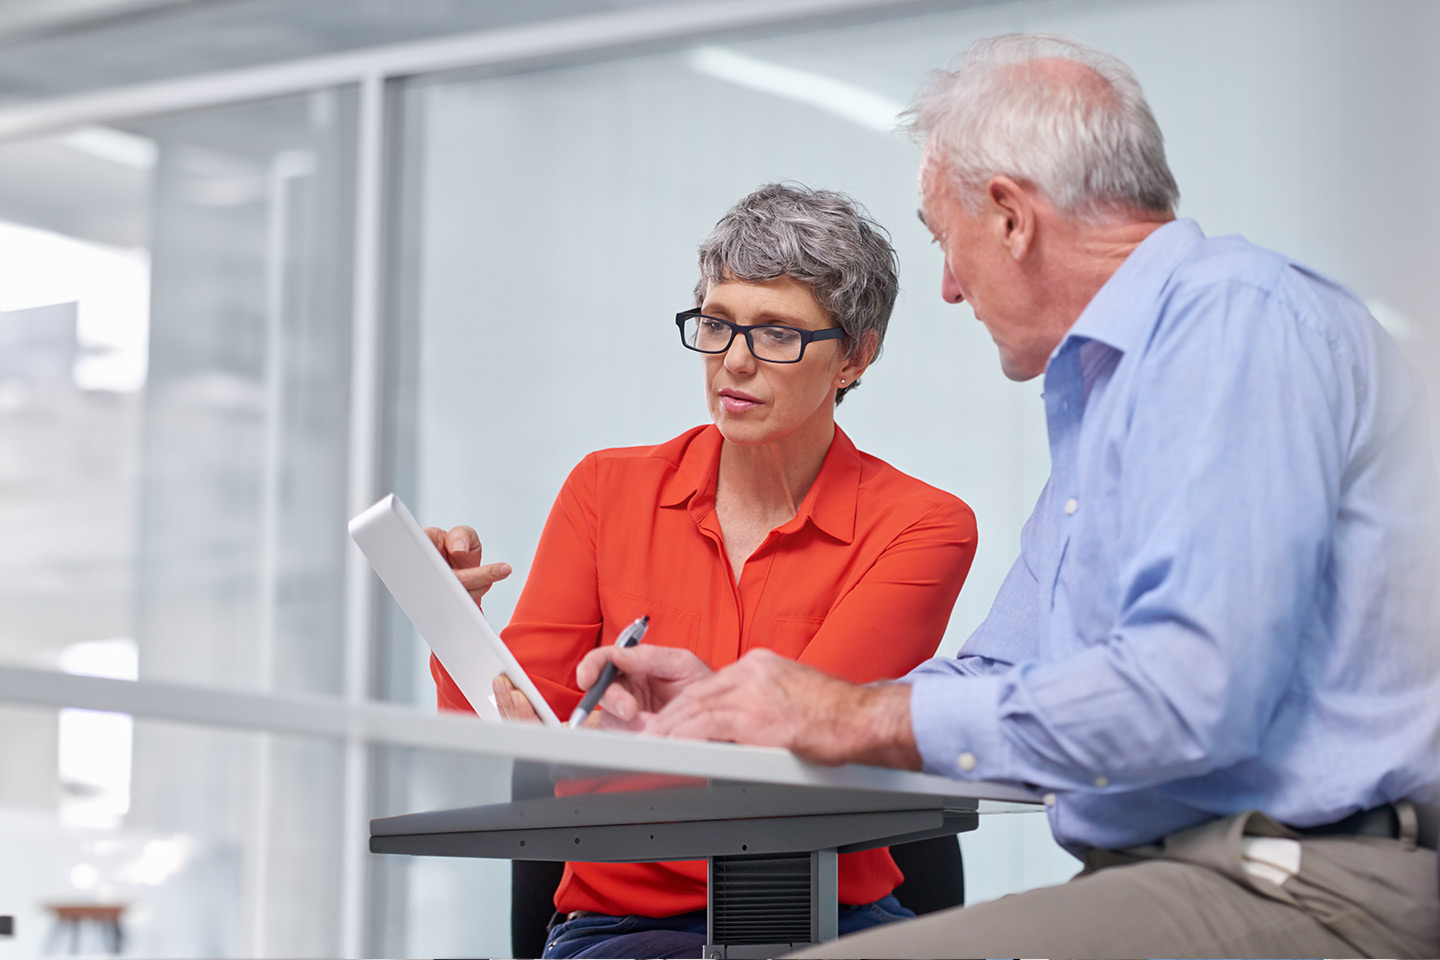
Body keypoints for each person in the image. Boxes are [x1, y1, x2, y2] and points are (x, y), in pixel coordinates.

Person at [575, 34, 1440, 959]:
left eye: (946, 244)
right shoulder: (1115, 398)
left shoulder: (1233, 322)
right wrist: (753, 704)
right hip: (1171, 876)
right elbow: (999, 673)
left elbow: (1191, 697)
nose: (949, 289)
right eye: (716, 326)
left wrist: (841, 716)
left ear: (1011, 218)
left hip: (1307, 884)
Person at [425, 183, 979, 959]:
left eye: (777, 333)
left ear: (854, 356)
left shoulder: (923, 526)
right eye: (717, 325)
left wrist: (608, 757)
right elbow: (530, 724)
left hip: (833, 921)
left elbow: (793, 738)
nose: (735, 363)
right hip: (624, 929)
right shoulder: (606, 490)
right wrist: (456, 627)